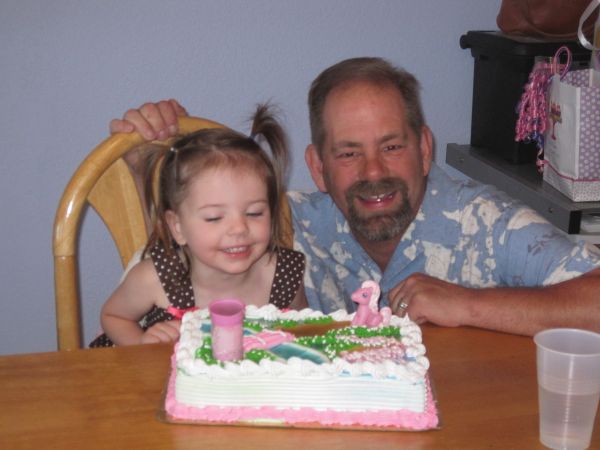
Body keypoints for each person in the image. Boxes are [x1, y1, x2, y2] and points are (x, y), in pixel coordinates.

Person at [109, 57, 600, 337]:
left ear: (424, 149)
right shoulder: (274, 227)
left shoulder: (484, 221)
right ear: (318, 168)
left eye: (391, 146)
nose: (373, 172)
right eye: (348, 154)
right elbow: (174, 259)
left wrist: (470, 306)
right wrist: (147, 165)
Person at [91, 104, 306, 347]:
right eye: (214, 217)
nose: (239, 229)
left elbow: (300, 331)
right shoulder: (156, 278)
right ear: (177, 227)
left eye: (255, 213)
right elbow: (114, 316)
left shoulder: (284, 274)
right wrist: (142, 344)